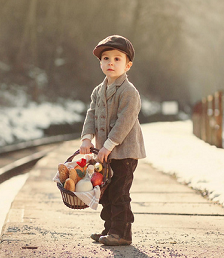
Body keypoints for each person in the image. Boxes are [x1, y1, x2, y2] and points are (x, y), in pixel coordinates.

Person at [79, 35, 146, 246]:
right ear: (100, 63)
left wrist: (108, 144)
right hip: (104, 153)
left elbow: (124, 122)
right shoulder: (98, 91)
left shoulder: (129, 92)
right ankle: (109, 229)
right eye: (106, 58)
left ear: (128, 65)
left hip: (124, 152)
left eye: (117, 59)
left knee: (119, 192)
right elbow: (92, 114)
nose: (110, 63)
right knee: (105, 192)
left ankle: (122, 232)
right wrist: (86, 138)